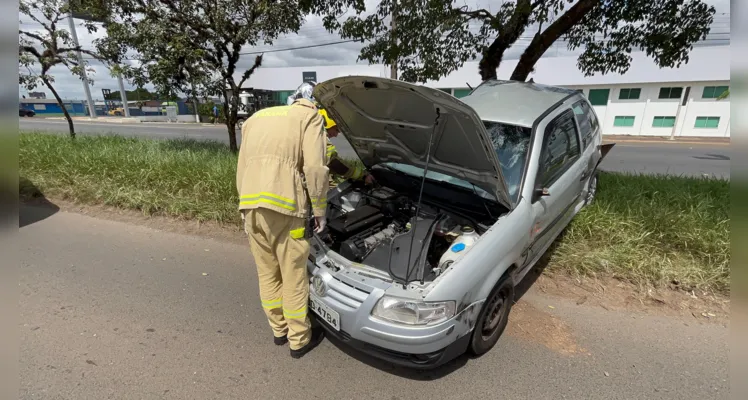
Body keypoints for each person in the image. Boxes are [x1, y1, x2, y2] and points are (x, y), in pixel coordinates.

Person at [236, 96, 329, 359]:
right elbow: (315, 168)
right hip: (286, 206)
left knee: (267, 272)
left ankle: (279, 330)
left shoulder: (256, 119)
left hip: (250, 204)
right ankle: (299, 340)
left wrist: (244, 208)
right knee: (293, 275)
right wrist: (320, 209)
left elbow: (241, 166)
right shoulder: (310, 117)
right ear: (313, 105)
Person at [286, 82, 375, 187]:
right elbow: (333, 162)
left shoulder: (293, 125)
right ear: (325, 122)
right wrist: (362, 175)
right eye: (336, 130)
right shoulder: (314, 135)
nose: (337, 134)